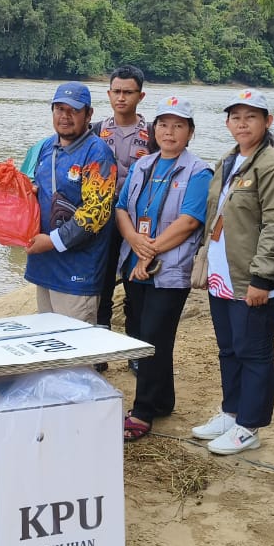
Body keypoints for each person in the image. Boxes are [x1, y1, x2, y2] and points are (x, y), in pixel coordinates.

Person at [190, 90, 274, 456]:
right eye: (235, 117)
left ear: (268, 121)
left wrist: (262, 279)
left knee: (254, 351)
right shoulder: (230, 160)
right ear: (227, 122)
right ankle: (231, 411)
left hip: (255, 280)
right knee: (229, 349)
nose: (242, 123)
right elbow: (216, 218)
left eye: (251, 117)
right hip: (225, 274)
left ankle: (249, 425)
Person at [113, 96, 211, 441]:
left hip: (169, 271)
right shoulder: (144, 165)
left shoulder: (199, 172)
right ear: (154, 129)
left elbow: (189, 222)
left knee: (154, 337)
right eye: (164, 125)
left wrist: (148, 253)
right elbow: (122, 208)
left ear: (190, 133)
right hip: (136, 263)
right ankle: (162, 400)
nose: (170, 132)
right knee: (141, 332)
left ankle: (141, 412)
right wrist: (135, 246)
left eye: (179, 126)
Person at [18, 82, 118, 324]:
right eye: (59, 109)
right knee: (48, 343)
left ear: (89, 114)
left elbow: (96, 213)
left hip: (77, 270)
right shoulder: (44, 147)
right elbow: (30, 193)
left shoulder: (98, 153)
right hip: (44, 266)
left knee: (74, 351)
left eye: (73, 110)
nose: (65, 116)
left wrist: (51, 241)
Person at [92, 66, 151, 333]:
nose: (121, 97)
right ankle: (101, 346)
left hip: (137, 219)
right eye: (116, 91)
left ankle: (134, 346)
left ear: (141, 96)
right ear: (108, 93)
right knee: (100, 282)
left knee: (134, 281)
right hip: (102, 217)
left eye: (128, 92)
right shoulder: (94, 131)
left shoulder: (153, 133)